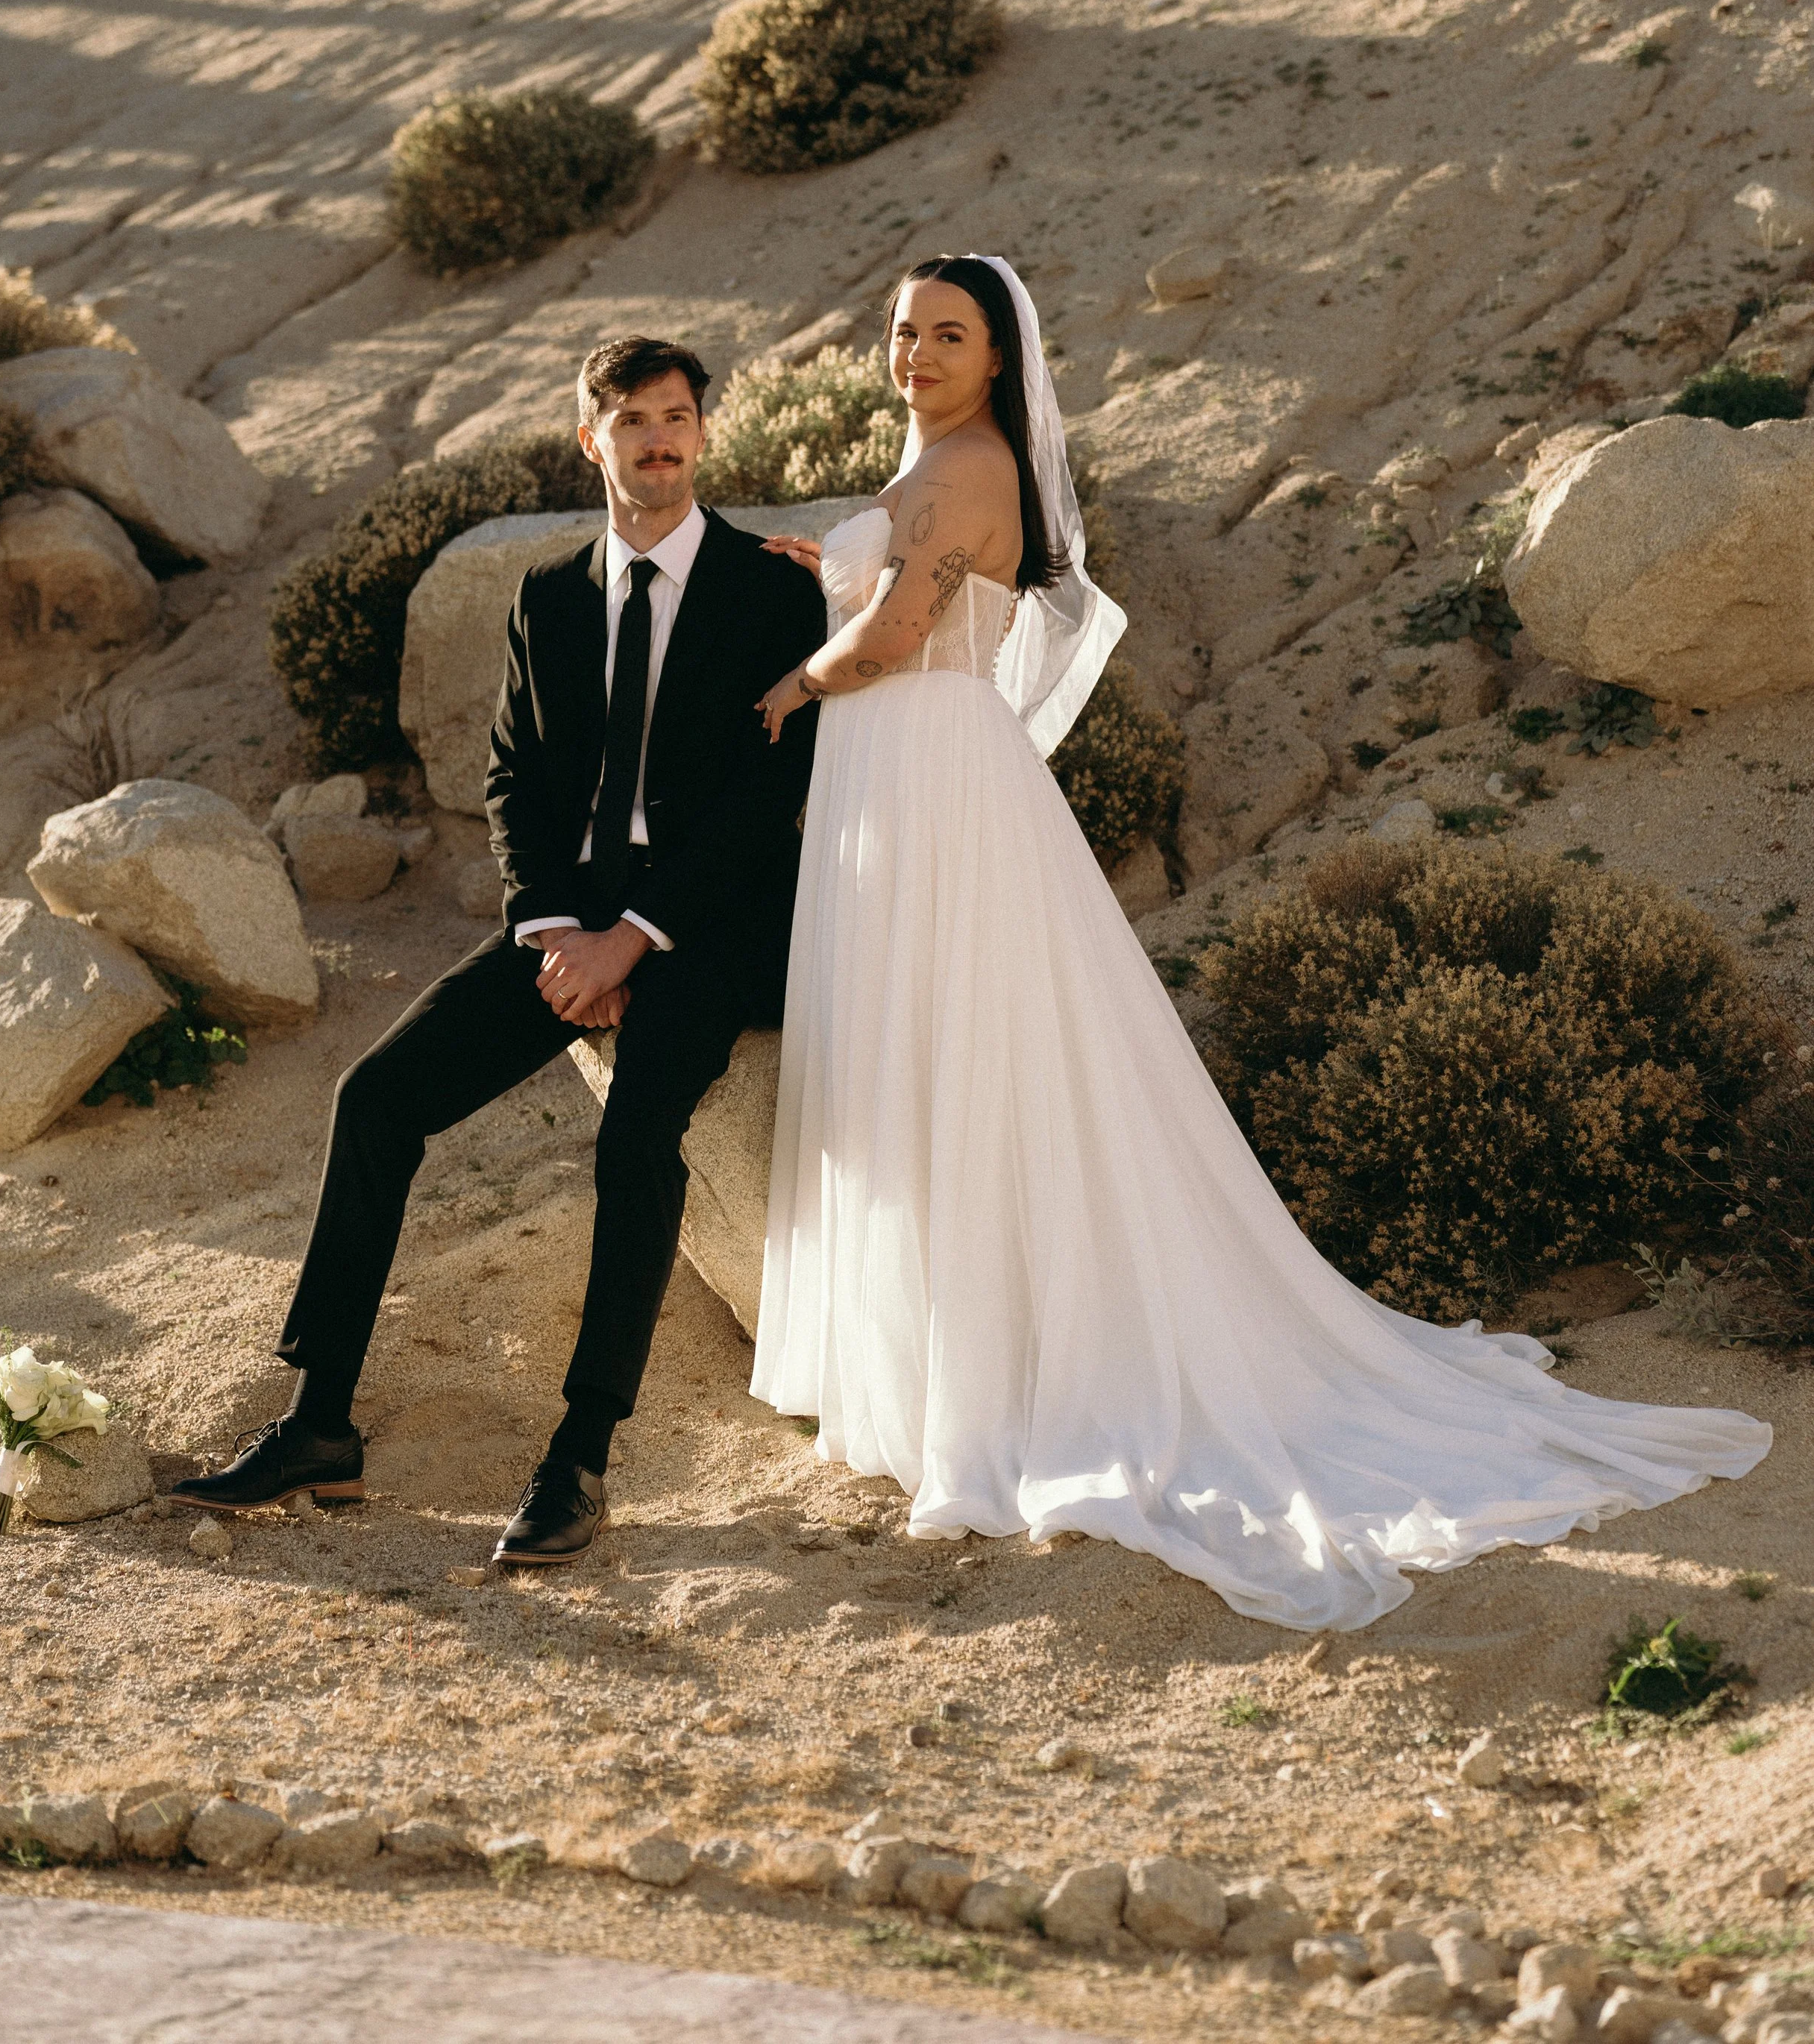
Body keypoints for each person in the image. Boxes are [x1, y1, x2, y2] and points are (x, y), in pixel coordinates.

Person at [747, 254, 1771, 1632]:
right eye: (902, 329)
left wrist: (793, 681)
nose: (915, 351)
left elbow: (900, 632)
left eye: (948, 333)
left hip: (927, 768)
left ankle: (1006, 1372)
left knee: (967, 1043)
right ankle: (964, 1351)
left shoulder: (972, 464)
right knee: (944, 1047)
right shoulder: (937, 460)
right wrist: (831, 566)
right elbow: (902, 588)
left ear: (997, 358)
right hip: (908, 769)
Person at [175, 336, 826, 1563]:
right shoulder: (549, 597)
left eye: (677, 416)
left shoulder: (771, 591)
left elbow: (763, 802)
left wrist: (633, 939)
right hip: (573, 919)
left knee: (636, 1134)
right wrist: (554, 927)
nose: (659, 439)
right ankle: (319, 1424)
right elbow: (514, 776)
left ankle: (580, 1457)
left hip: (719, 921)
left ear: (703, 432)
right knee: (377, 1098)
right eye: (632, 419)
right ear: (591, 440)